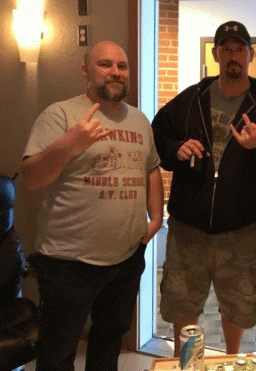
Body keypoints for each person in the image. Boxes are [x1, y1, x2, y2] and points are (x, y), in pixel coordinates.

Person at [21, 41, 164, 371]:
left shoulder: (139, 120)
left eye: (122, 66)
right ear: (86, 71)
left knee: (108, 344)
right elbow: (31, 178)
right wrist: (70, 143)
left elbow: (152, 167)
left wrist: (155, 219)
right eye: (105, 64)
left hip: (126, 259)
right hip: (69, 263)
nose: (115, 72)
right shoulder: (60, 114)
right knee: (57, 354)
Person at [151, 21, 256, 355]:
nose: (232, 56)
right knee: (183, 301)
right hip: (187, 228)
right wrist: (176, 149)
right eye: (226, 49)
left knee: (239, 304)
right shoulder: (191, 99)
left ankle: (231, 358)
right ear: (215, 54)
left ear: (250, 55)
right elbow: (157, 137)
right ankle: (187, 361)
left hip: (242, 230)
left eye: (239, 49)